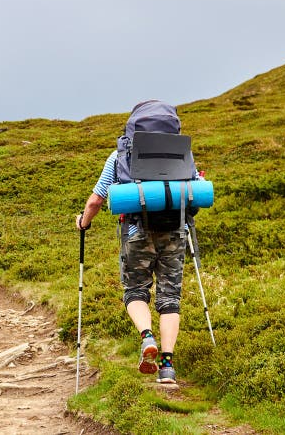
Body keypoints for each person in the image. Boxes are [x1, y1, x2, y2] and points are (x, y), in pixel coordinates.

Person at [76, 100, 199, 385]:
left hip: (136, 234)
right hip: (175, 234)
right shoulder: (184, 153)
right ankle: (167, 368)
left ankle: (147, 338)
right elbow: (193, 191)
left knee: (135, 292)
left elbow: (97, 199)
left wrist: (83, 222)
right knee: (170, 300)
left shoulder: (119, 155)